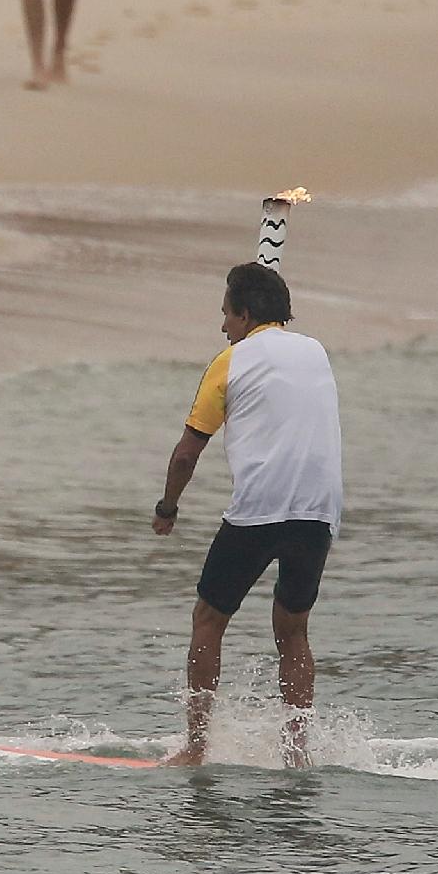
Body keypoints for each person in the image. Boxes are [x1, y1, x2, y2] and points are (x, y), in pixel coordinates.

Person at [150, 263, 344, 767]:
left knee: (209, 618)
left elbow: (187, 454)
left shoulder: (229, 362)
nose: (222, 327)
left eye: (226, 315)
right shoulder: (317, 352)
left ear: (244, 313)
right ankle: (296, 753)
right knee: (293, 628)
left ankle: (195, 747)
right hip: (319, 510)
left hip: (260, 508)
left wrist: (167, 509)